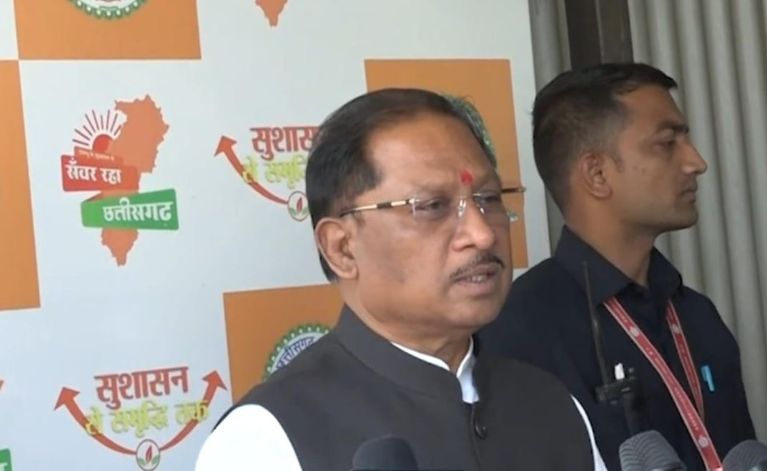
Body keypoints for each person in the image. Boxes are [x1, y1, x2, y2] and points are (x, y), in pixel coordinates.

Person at [195, 88, 607, 470]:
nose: (482, 233)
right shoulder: (267, 437)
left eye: (488, 199)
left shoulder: (551, 402)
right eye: (431, 206)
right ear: (342, 248)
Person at [478, 63, 756, 470]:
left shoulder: (698, 316)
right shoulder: (517, 332)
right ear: (597, 174)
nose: (696, 162)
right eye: (667, 143)